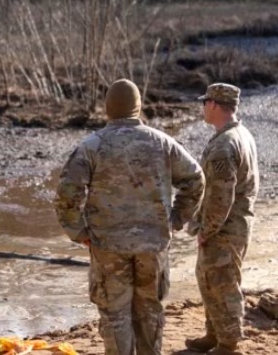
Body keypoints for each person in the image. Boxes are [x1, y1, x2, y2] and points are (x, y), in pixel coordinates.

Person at [54, 78, 205, 355]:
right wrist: (175, 220)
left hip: (108, 245)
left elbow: (66, 194)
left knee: (115, 315)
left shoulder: (92, 146)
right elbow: (195, 179)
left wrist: (79, 232)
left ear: (108, 109)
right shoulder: (162, 142)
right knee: (150, 310)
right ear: (138, 108)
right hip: (153, 244)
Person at [185, 83, 260, 355]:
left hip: (225, 228)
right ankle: (214, 335)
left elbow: (221, 197)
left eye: (205, 102)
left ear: (215, 105)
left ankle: (228, 344)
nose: (203, 107)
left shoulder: (224, 145)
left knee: (223, 283)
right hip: (235, 224)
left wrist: (206, 229)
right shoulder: (239, 134)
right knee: (209, 278)